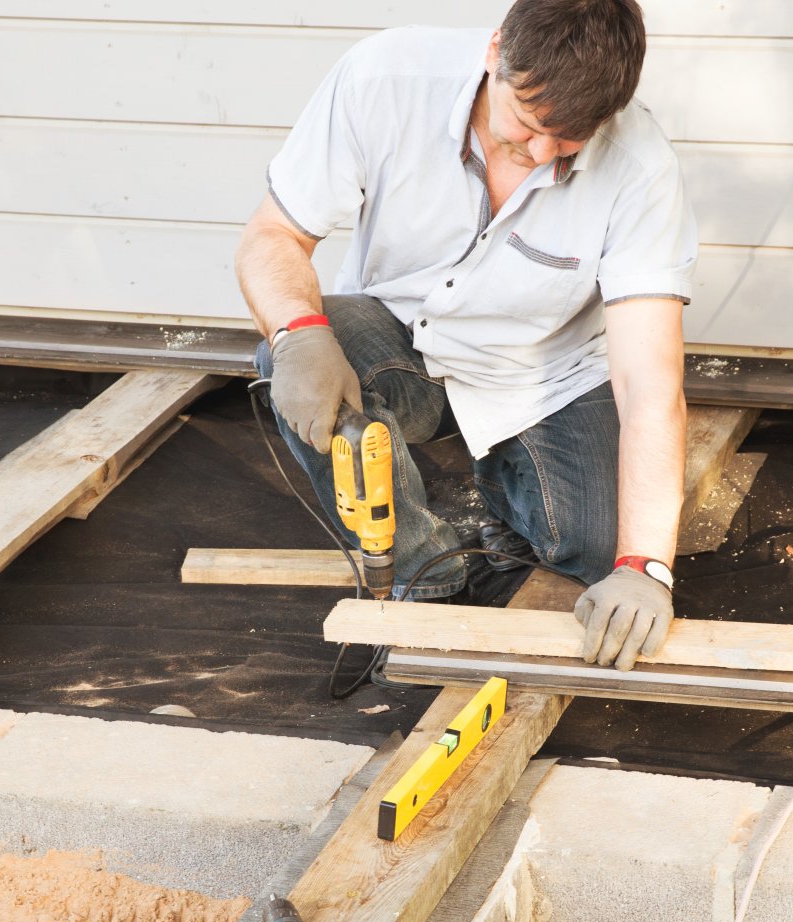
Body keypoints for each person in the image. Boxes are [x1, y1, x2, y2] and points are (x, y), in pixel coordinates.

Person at [235, 0, 696, 671]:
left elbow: (649, 382)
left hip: (543, 371)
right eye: (528, 124)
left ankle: (506, 532)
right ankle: (428, 572)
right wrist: (298, 335)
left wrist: (644, 564)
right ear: (495, 52)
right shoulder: (382, 81)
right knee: (294, 363)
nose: (540, 154)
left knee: (598, 560)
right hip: (400, 336)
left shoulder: (641, 167)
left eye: (568, 140)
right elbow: (273, 236)